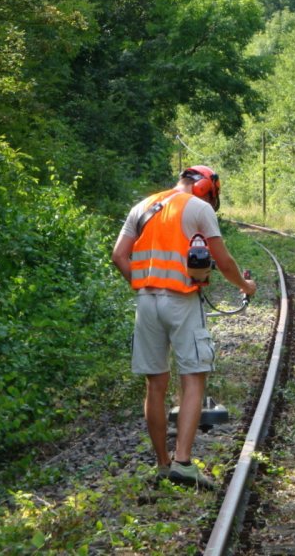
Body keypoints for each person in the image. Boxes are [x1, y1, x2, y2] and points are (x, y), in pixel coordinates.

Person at [112, 165, 257, 490]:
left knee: (156, 384)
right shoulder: (200, 208)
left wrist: (144, 286)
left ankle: (163, 464)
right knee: (193, 377)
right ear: (208, 188)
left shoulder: (143, 206)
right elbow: (223, 260)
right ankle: (183, 463)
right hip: (181, 301)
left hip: (146, 302)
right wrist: (246, 287)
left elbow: (119, 255)